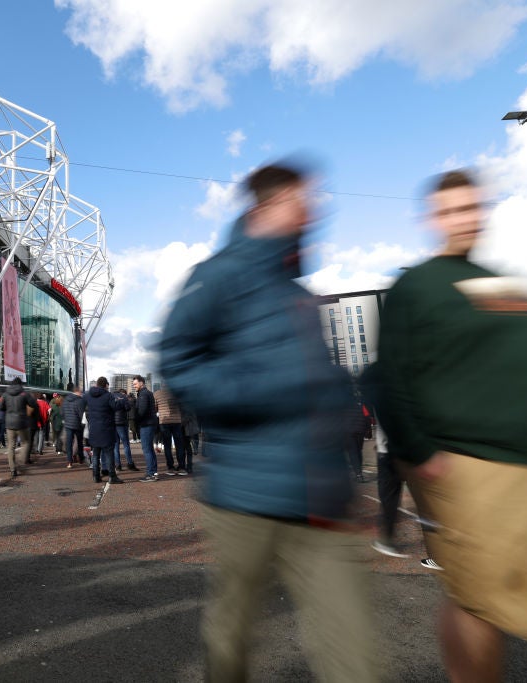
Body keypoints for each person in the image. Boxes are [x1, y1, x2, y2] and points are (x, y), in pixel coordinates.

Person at [379, 168, 527, 682]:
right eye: (451, 210)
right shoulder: (415, 287)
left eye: (471, 207)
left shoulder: (504, 284)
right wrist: (424, 456)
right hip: (479, 472)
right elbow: (390, 379)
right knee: (480, 609)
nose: (464, 218)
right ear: (432, 218)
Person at [159, 161, 375, 682]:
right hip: (245, 493)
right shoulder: (216, 275)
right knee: (233, 634)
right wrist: (263, 393)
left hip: (318, 493)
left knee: (356, 650)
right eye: (303, 199)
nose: (314, 208)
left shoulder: (297, 293)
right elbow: (177, 361)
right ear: (267, 206)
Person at [84, 377, 122, 484]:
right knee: (109, 454)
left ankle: (96, 476)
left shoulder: (88, 396)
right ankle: (112, 476)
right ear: (106, 385)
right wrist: (120, 402)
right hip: (106, 429)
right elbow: (115, 407)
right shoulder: (108, 395)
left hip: (94, 429)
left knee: (96, 454)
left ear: (96, 384)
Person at [0, 378, 37, 478]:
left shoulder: (6, 394)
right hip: (22, 422)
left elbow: (0, 407)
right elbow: (33, 404)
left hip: (9, 423)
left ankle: (12, 469)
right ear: (20, 384)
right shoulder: (24, 393)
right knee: (26, 442)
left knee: (11, 445)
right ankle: (20, 462)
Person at [155, 383, 186, 476]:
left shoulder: (157, 394)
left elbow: (155, 408)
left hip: (164, 422)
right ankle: (181, 467)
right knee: (179, 445)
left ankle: (171, 468)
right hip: (177, 421)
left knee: (167, 446)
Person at [132, 376, 158, 483]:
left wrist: (136, 420)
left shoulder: (143, 394)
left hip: (146, 424)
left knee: (147, 449)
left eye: (135, 384)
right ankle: (154, 472)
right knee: (150, 449)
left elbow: (141, 411)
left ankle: (150, 474)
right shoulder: (146, 393)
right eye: (133, 384)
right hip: (150, 423)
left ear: (141, 383)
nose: (134, 386)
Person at [60, 383, 85, 468]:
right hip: (77, 424)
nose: (81, 393)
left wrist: (65, 419)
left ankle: (69, 462)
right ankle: (81, 458)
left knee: (69, 443)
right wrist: (83, 423)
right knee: (79, 442)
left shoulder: (66, 399)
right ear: (78, 391)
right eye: (81, 391)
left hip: (68, 424)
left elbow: (62, 412)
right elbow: (81, 413)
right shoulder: (80, 400)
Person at [112, 388, 137, 471]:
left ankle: (118, 465)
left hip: (113, 424)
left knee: (115, 445)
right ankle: (130, 463)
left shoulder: (111, 396)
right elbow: (128, 408)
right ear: (123, 393)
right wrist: (124, 401)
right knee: (126, 444)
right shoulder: (123, 397)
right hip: (122, 423)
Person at [49, 393, 65, 459]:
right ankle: (59, 449)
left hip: (56, 424)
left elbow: (52, 416)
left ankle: (58, 449)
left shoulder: (54, 407)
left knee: (57, 436)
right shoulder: (63, 407)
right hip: (62, 424)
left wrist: (52, 421)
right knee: (60, 437)